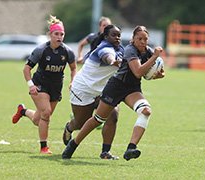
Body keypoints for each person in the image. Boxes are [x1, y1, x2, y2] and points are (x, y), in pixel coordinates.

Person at [62, 25, 165, 161]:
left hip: (132, 89)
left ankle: (130, 148)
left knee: (145, 110)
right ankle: (73, 144)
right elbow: (138, 71)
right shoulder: (129, 50)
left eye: (145, 39)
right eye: (139, 39)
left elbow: (154, 71)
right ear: (133, 39)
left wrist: (158, 74)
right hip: (115, 88)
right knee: (97, 120)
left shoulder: (148, 51)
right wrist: (155, 57)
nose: (142, 42)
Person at [12, 15, 77, 154]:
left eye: (62, 34)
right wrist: (31, 85)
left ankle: (22, 111)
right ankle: (44, 147)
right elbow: (27, 68)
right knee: (46, 114)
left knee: (39, 119)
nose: (59, 37)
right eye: (56, 34)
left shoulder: (67, 51)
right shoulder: (41, 50)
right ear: (50, 35)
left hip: (56, 86)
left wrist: (73, 81)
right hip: (40, 84)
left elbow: (73, 68)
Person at [62, 25, 123, 160]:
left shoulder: (121, 49)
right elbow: (108, 57)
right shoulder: (104, 48)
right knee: (81, 123)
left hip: (103, 90)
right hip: (83, 89)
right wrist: (113, 62)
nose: (117, 38)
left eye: (119, 35)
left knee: (113, 115)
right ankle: (69, 127)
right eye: (114, 35)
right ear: (106, 36)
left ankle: (105, 152)